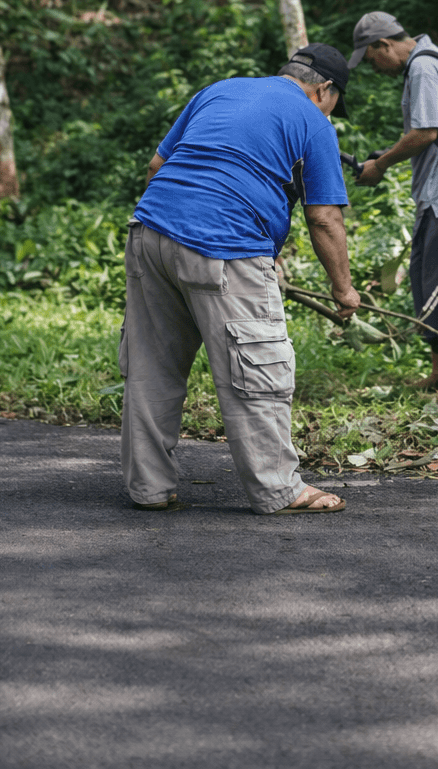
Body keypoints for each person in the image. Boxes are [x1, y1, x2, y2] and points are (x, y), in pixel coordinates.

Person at [119, 43, 360, 514]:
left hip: (149, 235)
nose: (332, 111)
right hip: (223, 244)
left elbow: (156, 167)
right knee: (257, 366)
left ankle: (148, 488)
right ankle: (278, 489)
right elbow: (325, 217)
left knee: (150, 367)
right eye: (335, 102)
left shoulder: (220, 90)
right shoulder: (313, 121)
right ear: (324, 90)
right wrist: (343, 289)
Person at [348, 11, 438, 393]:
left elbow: (425, 132)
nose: (375, 67)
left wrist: (381, 165)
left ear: (383, 44)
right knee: (426, 285)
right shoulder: (433, 59)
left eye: (372, 58)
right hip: (436, 193)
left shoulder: (423, 67)